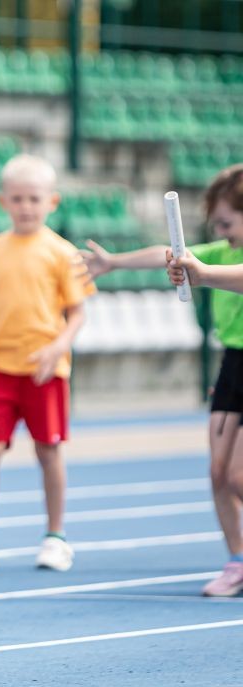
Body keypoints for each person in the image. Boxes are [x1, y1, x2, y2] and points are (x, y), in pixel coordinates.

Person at [82, 164, 243, 596]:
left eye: (227, 223)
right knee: (217, 472)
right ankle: (237, 560)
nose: (221, 232)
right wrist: (114, 262)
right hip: (233, 364)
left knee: (238, 476)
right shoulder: (222, 251)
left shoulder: (223, 264)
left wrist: (203, 274)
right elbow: (168, 252)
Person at [0, 154, 90, 572]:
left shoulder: (62, 253)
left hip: (45, 370)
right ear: (3, 201)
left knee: (49, 450)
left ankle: (56, 536)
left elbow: (78, 313)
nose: (25, 207)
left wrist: (58, 348)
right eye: (17, 199)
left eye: (34, 199)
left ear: (51, 201)